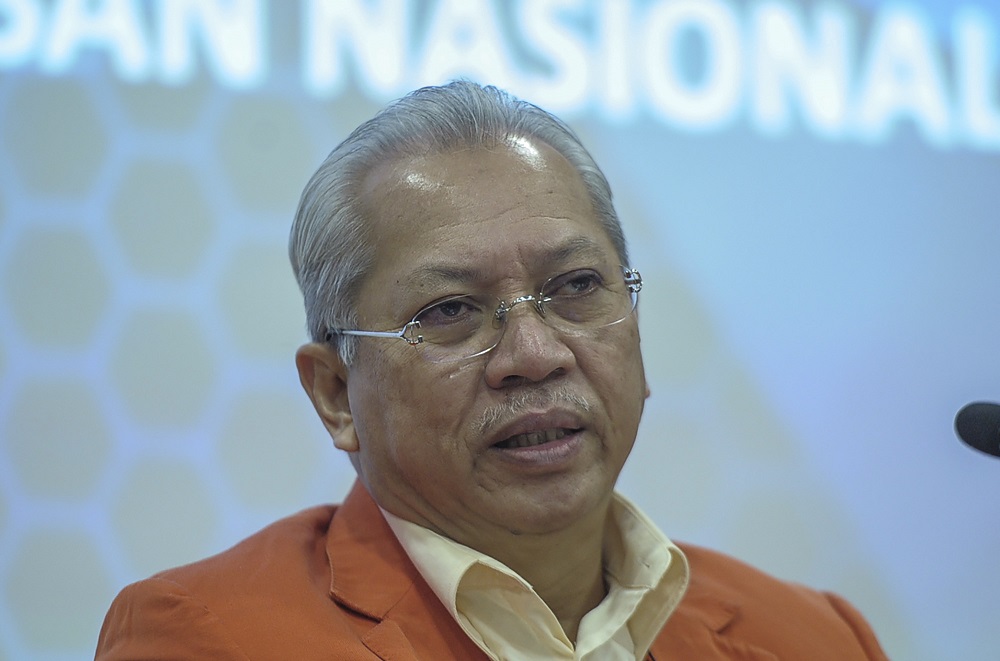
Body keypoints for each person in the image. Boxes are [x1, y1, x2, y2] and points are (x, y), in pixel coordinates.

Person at [96, 81, 889, 660]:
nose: (535, 354)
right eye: (449, 310)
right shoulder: (205, 635)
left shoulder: (819, 638)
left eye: (577, 288)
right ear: (336, 394)